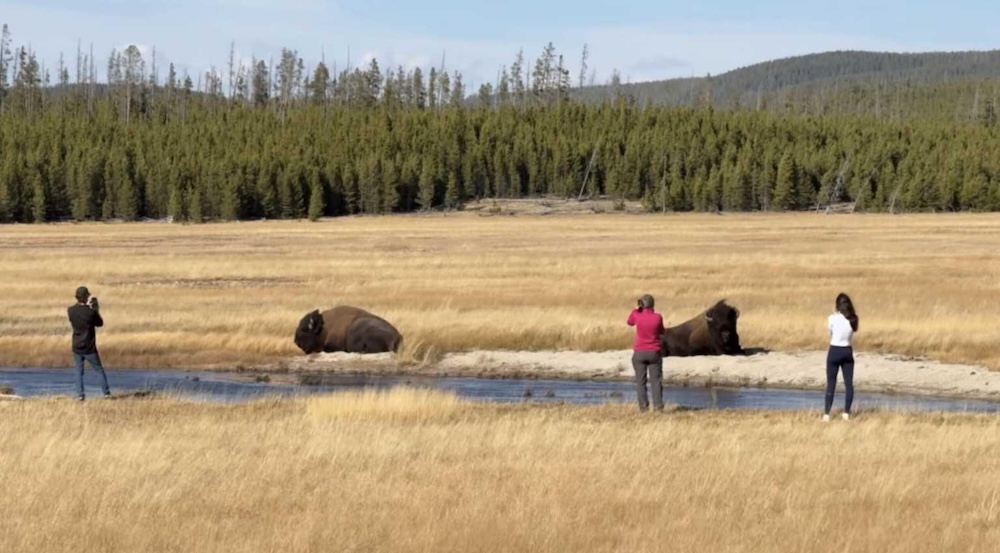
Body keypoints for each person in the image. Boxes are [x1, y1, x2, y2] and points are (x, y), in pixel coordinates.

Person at [68, 286, 111, 401]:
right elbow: (100, 323)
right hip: (89, 346)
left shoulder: (70, 310)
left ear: (77, 297)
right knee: (98, 370)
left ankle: (80, 395)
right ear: (86, 297)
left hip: (76, 345)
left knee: (78, 371)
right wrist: (96, 309)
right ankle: (106, 393)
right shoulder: (90, 312)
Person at [627, 294, 665, 411]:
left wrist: (636, 309)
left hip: (639, 352)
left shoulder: (637, 315)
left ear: (641, 304)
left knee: (640, 382)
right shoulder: (658, 317)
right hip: (654, 352)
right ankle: (658, 406)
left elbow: (630, 322)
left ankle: (643, 407)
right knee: (656, 381)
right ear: (652, 304)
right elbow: (661, 331)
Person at [824, 292, 859, 422]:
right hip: (847, 351)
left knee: (831, 383)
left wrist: (835, 313)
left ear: (837, 305)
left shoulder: (832, 318)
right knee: (849, 384)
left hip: (834, 350)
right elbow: (853, 331)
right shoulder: (853, 318)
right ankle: (846, 414)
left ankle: (826, 414)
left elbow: (830, 333)